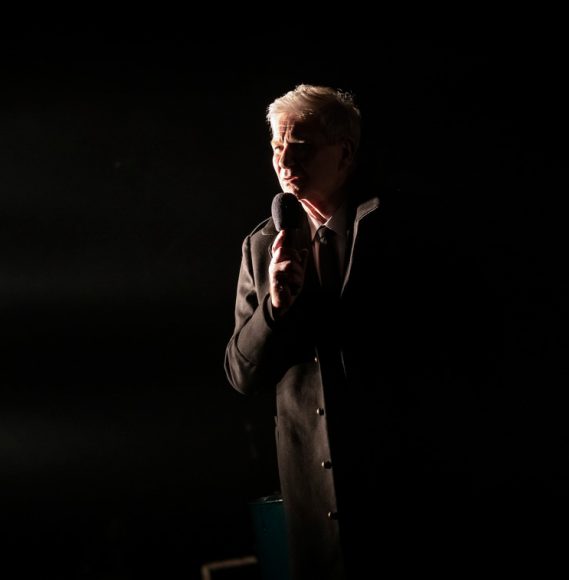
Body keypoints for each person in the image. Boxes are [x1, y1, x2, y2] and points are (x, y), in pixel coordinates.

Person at [224, 84, 476, 579]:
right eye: (277, 146)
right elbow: (241, 374)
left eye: (301, 146)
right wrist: (275, 308)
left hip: (407, 495)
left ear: (344, 153)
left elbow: (454, 349)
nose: (284, 160)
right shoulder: (261, 247)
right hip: (316, 515)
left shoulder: (403, 226)